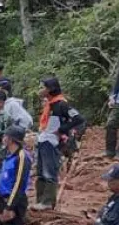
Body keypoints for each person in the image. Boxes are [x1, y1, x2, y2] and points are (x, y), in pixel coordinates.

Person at [34, 77, 85, 210]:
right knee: (40, 171)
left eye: (43, 87)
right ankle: (39, 200)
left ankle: (47, 202)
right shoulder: (49, 104)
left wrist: (62, 129)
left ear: (50, 89)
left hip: (52, 141)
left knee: (49, 171)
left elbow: (78, 118)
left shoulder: (61, 104)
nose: (40, 90)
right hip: (43, 139)